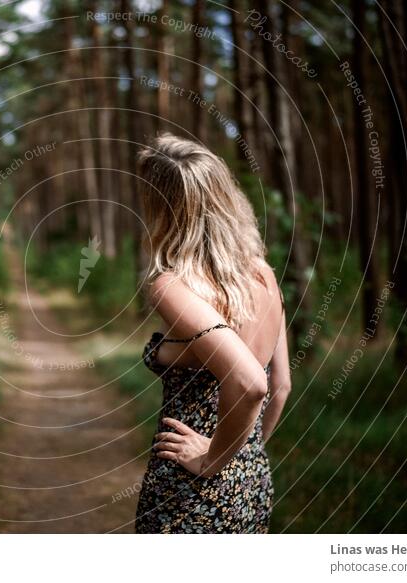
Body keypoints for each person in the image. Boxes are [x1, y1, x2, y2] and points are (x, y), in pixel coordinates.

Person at [134, 133, 291, 534]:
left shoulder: (172, 286)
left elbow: (251, 383)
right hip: (251, 481)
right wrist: (242, 456)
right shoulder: (264, 275)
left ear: (164, 209)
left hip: (188, 487)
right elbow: (281, 386)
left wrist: (212, 459)